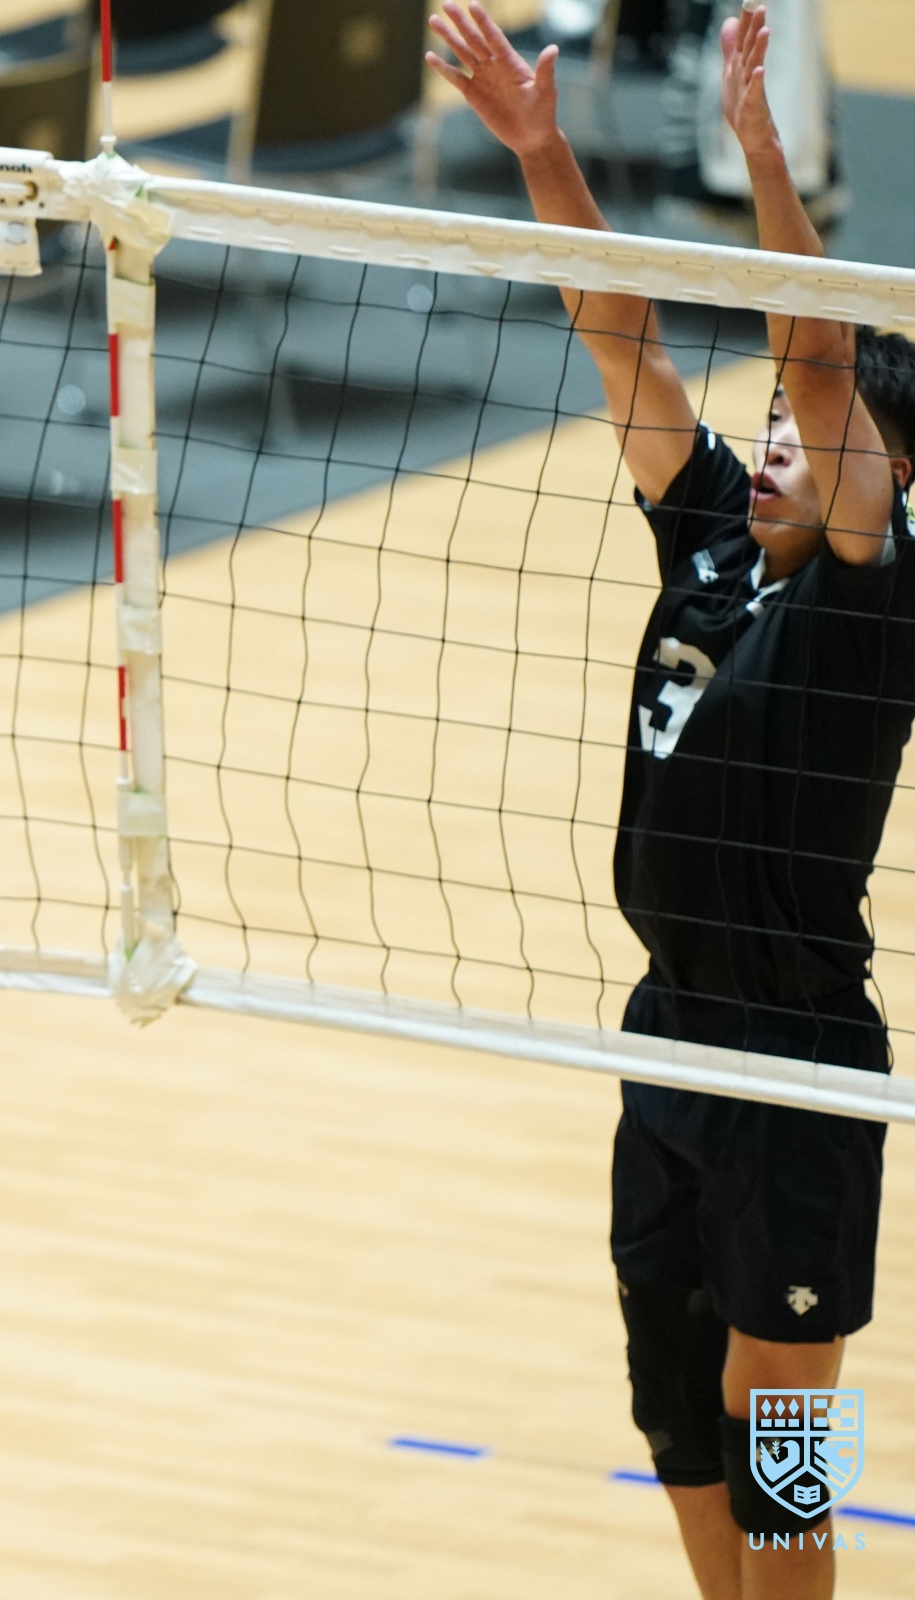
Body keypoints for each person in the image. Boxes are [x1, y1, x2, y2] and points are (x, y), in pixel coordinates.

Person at [430, 6, 915, 1595]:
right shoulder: (707, 535)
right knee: (679, 1425)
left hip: (800, 1060)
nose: (776, 437)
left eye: (809, 433)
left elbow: (820, 353)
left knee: (783, 1445)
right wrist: (540, 150)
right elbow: (621, 332)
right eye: (767, 421)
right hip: (670, 1036)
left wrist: (763, 153)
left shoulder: (874, 603)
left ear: (887, 478)